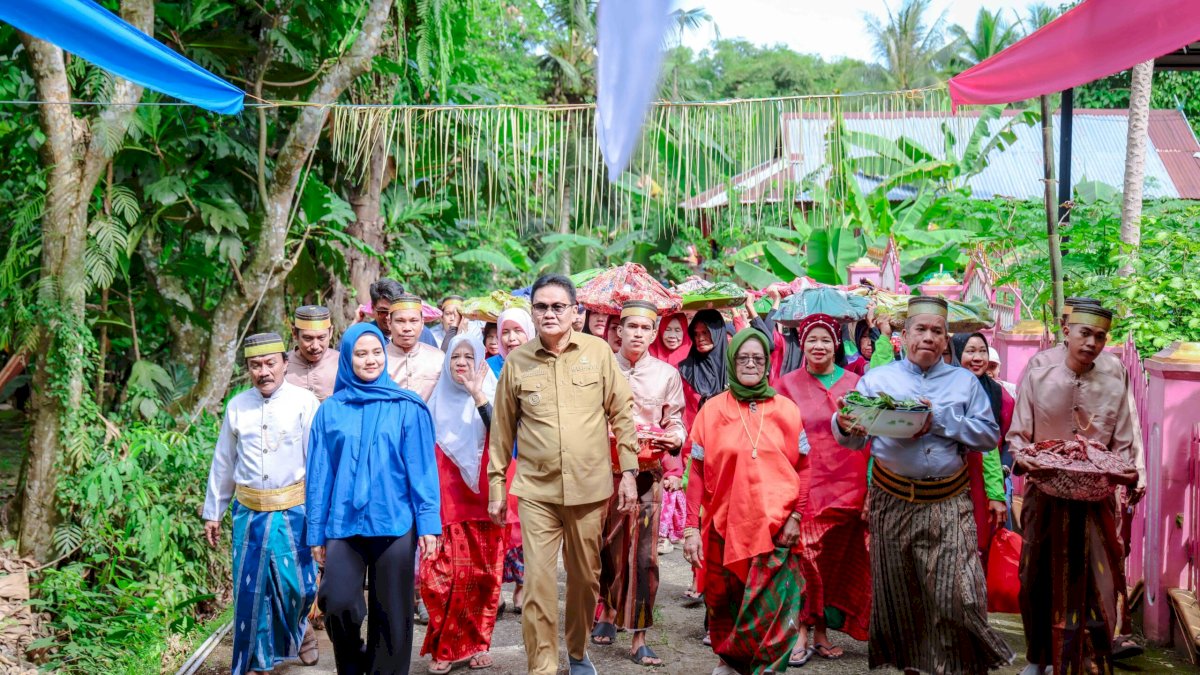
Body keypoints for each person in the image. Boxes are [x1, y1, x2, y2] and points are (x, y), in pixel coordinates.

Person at [834, 296, 1013, 674]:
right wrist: (845, 424)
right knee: (903, 597)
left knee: (958, 595)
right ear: (904, 334)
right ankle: (916, 668)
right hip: (892, 500)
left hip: (948, 501)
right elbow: (852, 438)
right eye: (921, 329)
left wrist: (942, 420)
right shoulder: (878, 380)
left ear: (947, 339)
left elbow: (987, 436)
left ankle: (961, 665)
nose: (928, 338)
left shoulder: (965, 383)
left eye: (937, 331)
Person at [487, 274, 639, 675]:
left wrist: (628, 471)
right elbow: (501, 430)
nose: (549, 313)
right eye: (541, 306)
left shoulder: (598, 353)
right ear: (532, 311)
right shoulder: (517, 362)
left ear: (576, 311)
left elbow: (622, 413)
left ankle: (576, 650)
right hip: (537, 491)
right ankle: (542, 665)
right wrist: (496, 487)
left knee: (586, 580)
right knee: (537, 582)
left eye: (558, 306)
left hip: (590, 489)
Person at [1007, 305, 1144, 675]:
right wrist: (1026, 460)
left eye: (1100, 336)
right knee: (1035, 578)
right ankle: (1038, 659)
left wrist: (1127, 474)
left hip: (1096, 500)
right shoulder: (1039, 374)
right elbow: (1018, 439)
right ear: (1066, 330)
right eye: (1084, 333)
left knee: (1097, 582)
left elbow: (1126, 447)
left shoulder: (1115, 382)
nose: (1092, 342)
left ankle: (1088, 662)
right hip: (1045, 493)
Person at [306, 323, 441, 675]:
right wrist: (316, 531)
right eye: (361, 353)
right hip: (344, 524)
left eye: (376, 352)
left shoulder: (407, 406)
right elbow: (320, 475)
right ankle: (355, 662)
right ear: (347, 359)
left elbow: (422, 469)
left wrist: (429, 523)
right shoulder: (331, 411)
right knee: (336, 601)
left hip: (395, 522)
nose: (370, 360)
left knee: (393, 616)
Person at [682, 328, 806, 675]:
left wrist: (796, 516)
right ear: (732, 361)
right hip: (725, 525)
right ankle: (730, 661)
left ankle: (767, 668)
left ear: (768, 364)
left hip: (777, 528)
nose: (751, 364)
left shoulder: (786, 410)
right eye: (743, 358)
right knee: (724, 602)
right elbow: (696, 472)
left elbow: (805, 467)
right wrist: (691, 526)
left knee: (774, 611)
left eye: (758, 358)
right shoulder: (711, 411)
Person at [203, 332, 321, 674]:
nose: (263, 371)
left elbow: (317, 461)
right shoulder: (237, 406)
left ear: (285, 363)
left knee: (297, 586)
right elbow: (223, 461)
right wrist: (214, 512)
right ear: (248, 370)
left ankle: (301, 628)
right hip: (249, 513)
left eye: (270, 363)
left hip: (293, 511)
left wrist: (320, 516)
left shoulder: (304, 402)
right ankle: (257, 660)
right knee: (252, 589)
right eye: (256, 365)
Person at [593, 301, 686, 667]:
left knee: (644, 556)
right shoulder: (599, 368)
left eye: (645, 328)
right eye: (630, 326)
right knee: (603, 548)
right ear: (618, 330)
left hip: (647, 473)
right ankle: (606, 608)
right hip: (602, 472)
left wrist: (673, 438)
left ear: (653, 333)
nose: (637, 333)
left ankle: (640, 634)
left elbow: (675, 420)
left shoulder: (666, 374)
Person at [775, 314, 870, 667]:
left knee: (834, 561)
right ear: (802, 343)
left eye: (825, 340)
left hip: (849, 485)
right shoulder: (785, 384)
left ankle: (821, 633)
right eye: (812, 339)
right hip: (807, 485)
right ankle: (800, 628)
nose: (818, 346)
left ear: (836, 344)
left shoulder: (856, 383)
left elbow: (869, 438)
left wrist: (871, 487)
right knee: (804, 559)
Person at [421, 336, 504, 673]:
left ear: (481, 361)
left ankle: (477, 644)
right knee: (439, 579)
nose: (461, 362)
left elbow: (503, 435)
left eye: (470, 356)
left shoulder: (491, 393)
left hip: (486, 502)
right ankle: (445, 645)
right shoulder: (432, 403)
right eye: (455, 355)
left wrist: (477, 393)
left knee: (483, 578)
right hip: (445, 505)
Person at [484, 307, 536, 612]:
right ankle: (498, 586)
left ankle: (522, 584)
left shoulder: (539, 364)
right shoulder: (487, 367)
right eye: (506, 332)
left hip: (530, 454)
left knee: (528, 522)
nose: (512, 337)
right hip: (500, 451)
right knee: (500, 522)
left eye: (518, 331)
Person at [951, 332, 1013, 563]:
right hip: (949, 475)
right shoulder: (945, 389)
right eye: (970, 351)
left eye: (982, 351)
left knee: (981, 541)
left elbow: (996, 443)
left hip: (984, 477)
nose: (977, 357)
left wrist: (998, 490)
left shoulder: (998, 394)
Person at [386, 294, 445, 401]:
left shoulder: (439, 358)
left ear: (422, 323)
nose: (407, 328)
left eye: (413, 321)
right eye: (400, 321)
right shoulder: (379, 359)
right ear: (389, 323)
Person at [285, 305, 339, 401]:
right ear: (294, 334)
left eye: (321, 337)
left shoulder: (341, 362)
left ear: (330, 332)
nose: (315, 346)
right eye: (308, 338)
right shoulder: (282, 366)